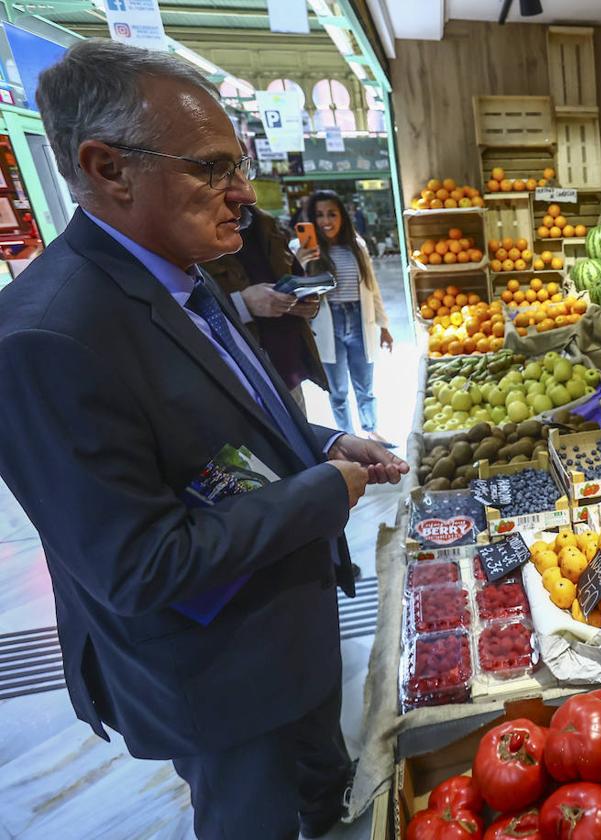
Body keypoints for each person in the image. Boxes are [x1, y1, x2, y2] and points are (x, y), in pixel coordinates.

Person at [0, 40, 408, 839]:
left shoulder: (184, 273)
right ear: (108, 168)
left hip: (288, 623)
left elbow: (231, 422)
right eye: (213, 169)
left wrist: (322, 443)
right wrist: (322, 494)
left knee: (326, 796)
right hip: (217, 675)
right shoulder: (46, 339)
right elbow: (136, 564)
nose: (244, 195)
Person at [203, 205, 328, 412]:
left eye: (246, 172)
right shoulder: (195, 233)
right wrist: (243, 303)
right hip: (242, 379)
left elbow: (294, 276)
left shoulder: (264, 224)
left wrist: (307, 302)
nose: (244, 188)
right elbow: (186, 309)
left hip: (288, 368)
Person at [297, 189, 394, 444]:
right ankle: (349, 438)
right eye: (319, 215)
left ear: (343, 216)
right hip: (329, 324)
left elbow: (372, 288)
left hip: (361, 321)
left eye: (332, 214)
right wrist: (299, 262)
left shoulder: (357, 246)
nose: (326, 220)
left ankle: (372, 431)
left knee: (365, 385)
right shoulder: (302, 248)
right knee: (338, 390)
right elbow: (296, 290)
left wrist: (384, 326)